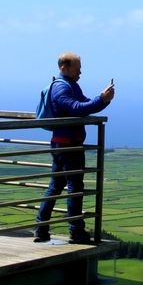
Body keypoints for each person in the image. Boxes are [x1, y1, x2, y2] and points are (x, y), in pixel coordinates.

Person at [34, 52, 114, 244]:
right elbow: (77, 108)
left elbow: (86, 105)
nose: (80, 72)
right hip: (68, 146)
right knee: (74, 188)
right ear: (64, 68)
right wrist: (101, 99)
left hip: (62, 144)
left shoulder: (70, 86)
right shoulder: (61, 88)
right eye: (77, 68)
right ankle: (75, 231)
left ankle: (41, 228)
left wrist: (104, 100)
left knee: (56, 187)